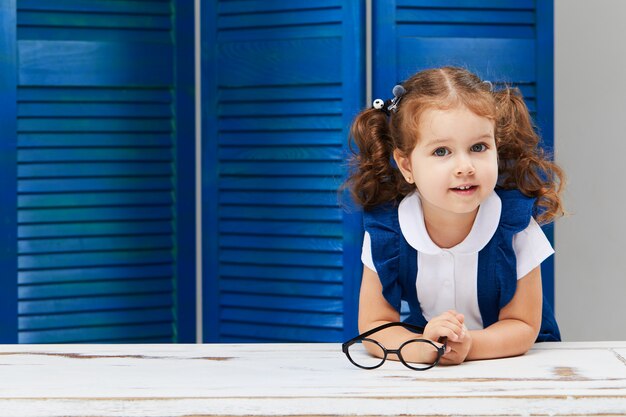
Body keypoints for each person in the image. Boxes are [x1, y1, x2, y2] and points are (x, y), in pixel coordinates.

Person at [345, 66, 566, 366]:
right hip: (434, 370)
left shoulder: (515, 226)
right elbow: (375, 325)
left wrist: (469, 346)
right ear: (407, 165)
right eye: (441, 152)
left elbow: (523, 326)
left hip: (516, 365)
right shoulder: (388, 232)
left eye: (478, 147)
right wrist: (424, 348)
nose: (465, 166)